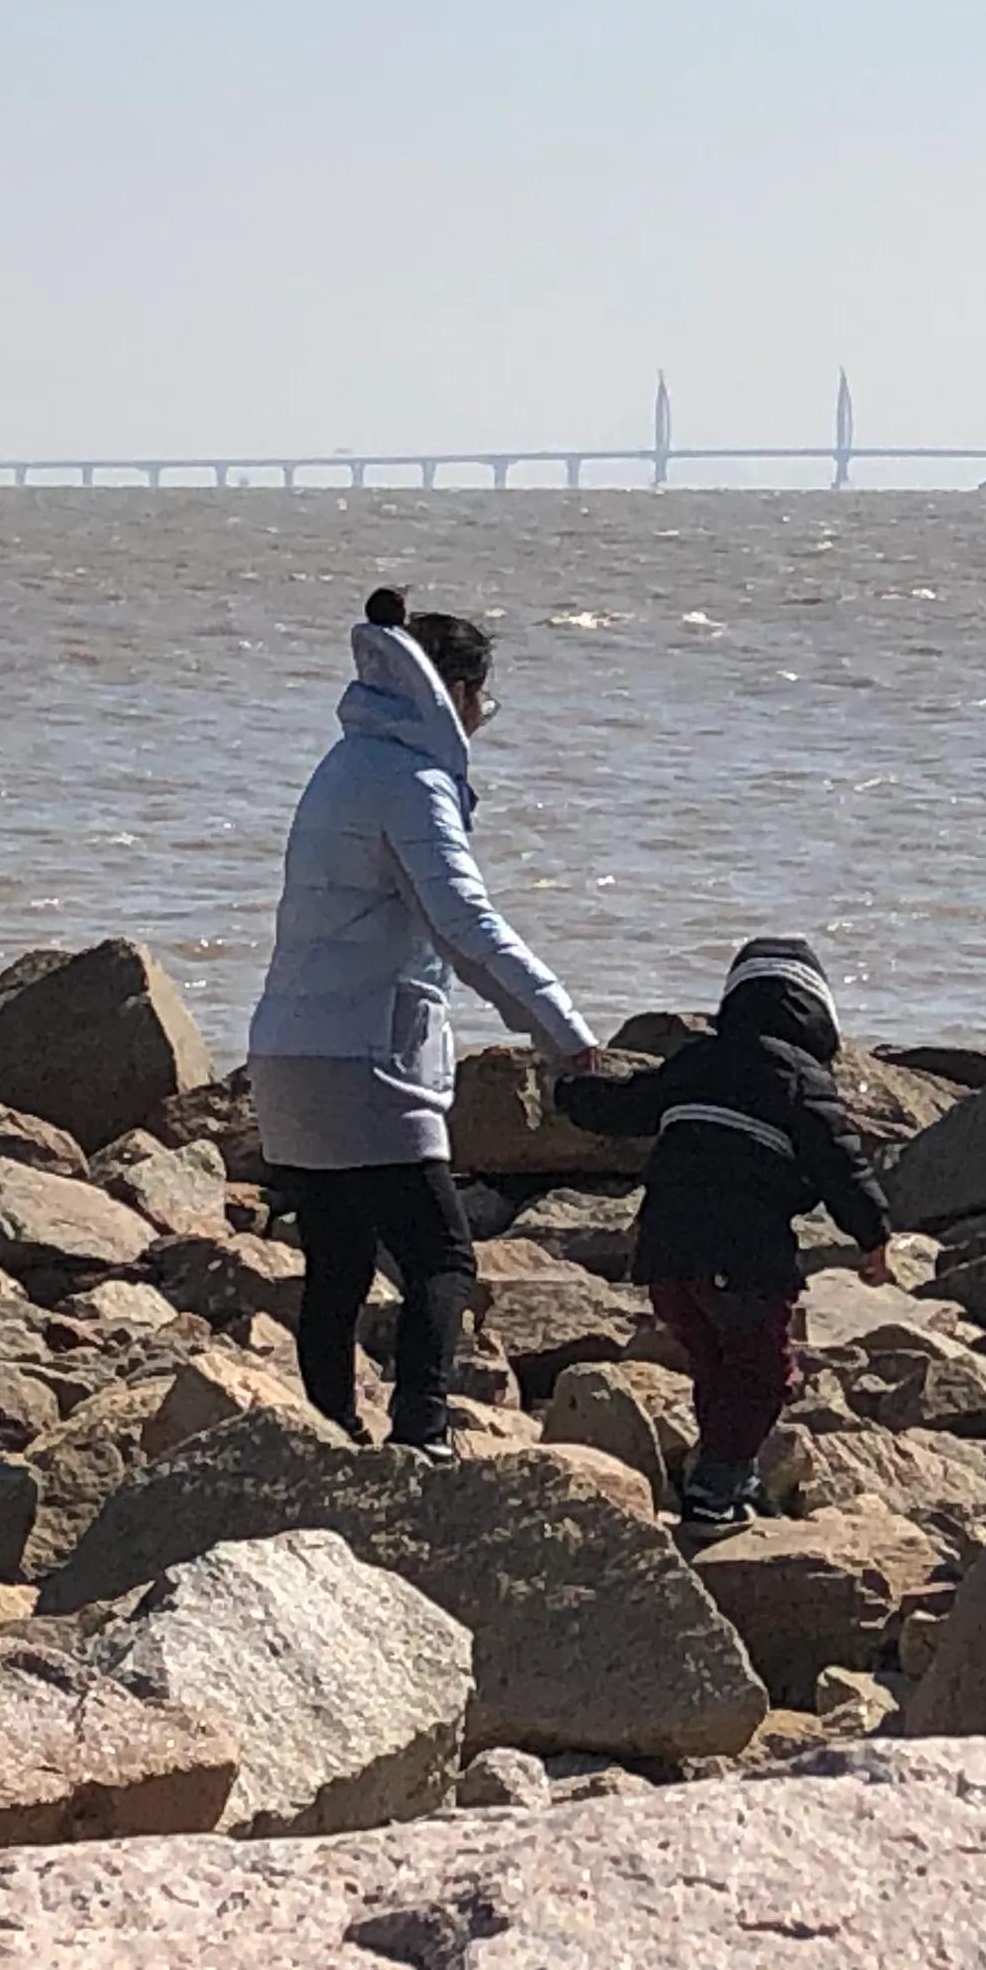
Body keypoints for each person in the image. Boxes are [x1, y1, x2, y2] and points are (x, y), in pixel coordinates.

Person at [248, 593, 596, 1454]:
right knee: (442, 1259)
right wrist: (565, 1032)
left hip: (289, 1051)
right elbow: (465, 924)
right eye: (486, 700)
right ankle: (421, 1438)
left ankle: (328, 1438)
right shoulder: (414, 780)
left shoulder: (345, 761)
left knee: (338, 1261)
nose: (485, 719)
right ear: (460, 693)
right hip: (366, 1058)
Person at [557, 936, 895, 1533]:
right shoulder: (802, 1078)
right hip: (744, 1255)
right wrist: (874, 1234)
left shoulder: (695, 1060)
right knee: (763, 1374)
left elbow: (627, 1106)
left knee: (716, 1364)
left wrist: (573, 1089)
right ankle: (715, 1491)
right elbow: (840, 1163)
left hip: (665, 1253)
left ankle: (730, 1482)